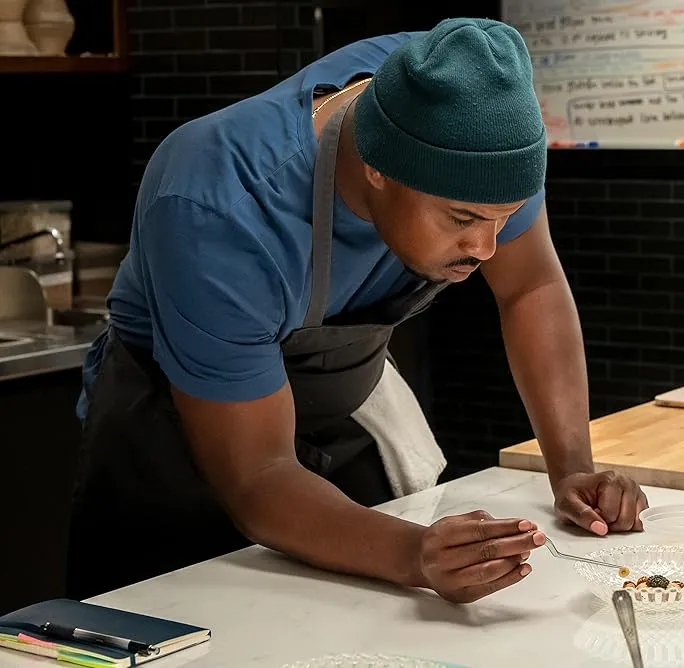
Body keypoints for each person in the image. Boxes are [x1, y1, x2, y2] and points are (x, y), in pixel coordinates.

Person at [66, 17, 648, 605]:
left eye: (505, 216)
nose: (485, 248)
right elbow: (258, 477)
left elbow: (530, 287)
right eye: (463, 219)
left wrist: (571, 469)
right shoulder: (219, 208)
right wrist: (413, 554)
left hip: (328, 433)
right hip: (177, 448)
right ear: (377, 168)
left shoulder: (469, 105)